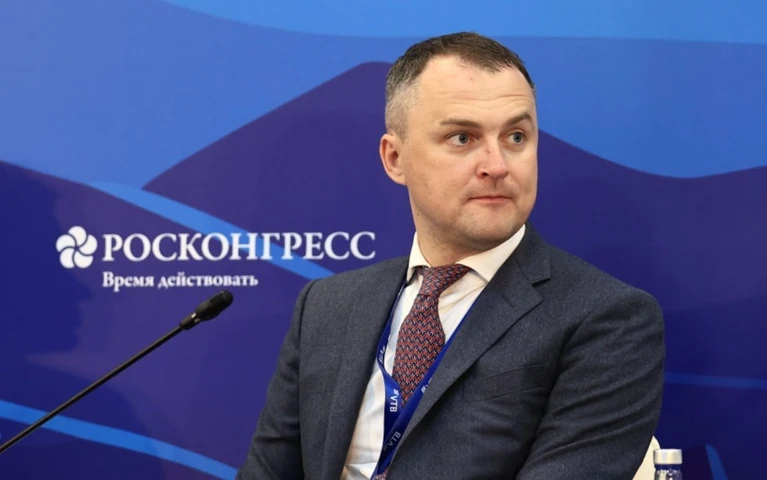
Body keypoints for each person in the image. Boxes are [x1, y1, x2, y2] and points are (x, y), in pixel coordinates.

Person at [235, 32, 665, 479]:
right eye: (462, 138)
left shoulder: (607, 318)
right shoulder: (326, 306)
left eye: (516, 136)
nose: (497, 165)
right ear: (395, 158)